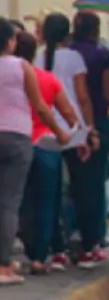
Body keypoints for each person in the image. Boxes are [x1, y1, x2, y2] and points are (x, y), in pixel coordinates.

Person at [0, 19, 66, 285]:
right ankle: (4, 266)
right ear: (10, 42)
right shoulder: (21, 66)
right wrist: (60, 133)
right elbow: (39, 106)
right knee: (10, 203)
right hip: (17, 137)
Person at [37, 14, 104, 268]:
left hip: (44, 133)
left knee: (50, 195)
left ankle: (57, 251)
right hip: (74, 132)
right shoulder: (74, 58)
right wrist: (89, 129)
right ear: (68, 34)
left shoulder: (37, 58)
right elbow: (82, 97)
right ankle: (88, 248)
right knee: (82, 190)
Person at [15, 30, 79, 275]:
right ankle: (40, 257)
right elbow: (68, 113)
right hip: (45, 146)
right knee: (46, 203)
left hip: (15, 143)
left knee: (16, 202)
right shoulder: (47, 79)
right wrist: (73, 131)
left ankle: (27, 247)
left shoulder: (7, 78)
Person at [69, 12, 109, 254]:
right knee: (96, 179)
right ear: (96, 30)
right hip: (97, 119)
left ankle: (76, 230)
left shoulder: (67, 54)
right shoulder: (102, 56)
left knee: (77, 181)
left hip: (69, 121)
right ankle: (96, 234)